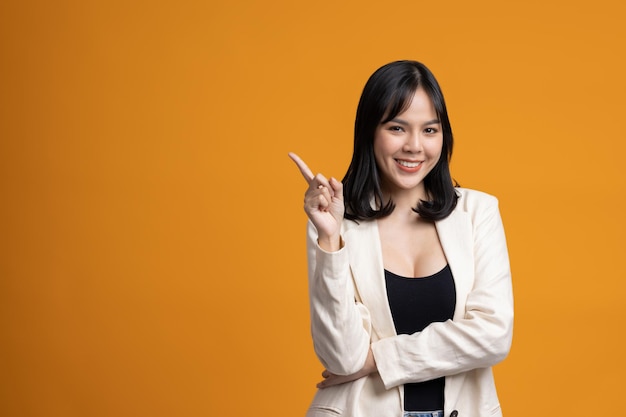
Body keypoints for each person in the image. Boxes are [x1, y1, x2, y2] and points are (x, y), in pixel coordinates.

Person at [289, 60, 513, 417]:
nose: (414, 146)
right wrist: (330, 239)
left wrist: (379, 358)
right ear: (369, 132)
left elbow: (494, 335)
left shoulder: (477, 213)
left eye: (429, 130)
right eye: (397, 128)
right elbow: (343, 358)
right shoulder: (335, 221)